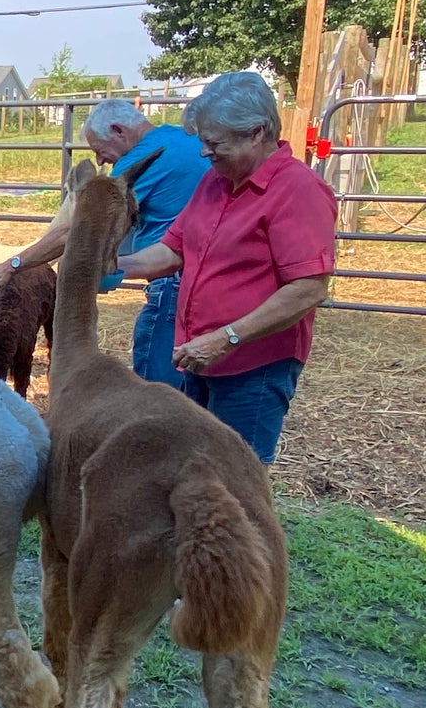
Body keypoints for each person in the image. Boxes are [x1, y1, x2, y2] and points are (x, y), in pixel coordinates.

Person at [117, 70, 337, 463]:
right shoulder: (216, 182)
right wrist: (113, 267)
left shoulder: (297, 189)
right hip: (199, 357)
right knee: (194, 467)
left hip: (252, 367)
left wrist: (226, 338)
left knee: (236, 479)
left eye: (214, 142)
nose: (205, 152)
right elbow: (173, 250)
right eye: (203, 141)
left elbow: (308, 287)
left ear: (256, 132)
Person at [0, 96, 208, 386]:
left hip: (173, 287)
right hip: (203, 282)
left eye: (100, 149)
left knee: (158, 387)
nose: (100, 160)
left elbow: (76, 232)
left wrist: (12, 265)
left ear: (118, 130)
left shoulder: (142, 162)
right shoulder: (179, 140)